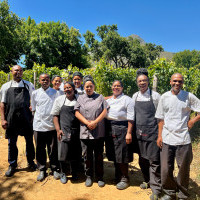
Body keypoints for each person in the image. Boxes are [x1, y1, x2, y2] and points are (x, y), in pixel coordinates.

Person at [155, 73, 200, 200]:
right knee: (165, 168)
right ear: (170, 82)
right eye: (175, 81)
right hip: (167, 137)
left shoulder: (188, 96)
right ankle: (169, 192)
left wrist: (192, 120)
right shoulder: (164, 97)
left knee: (183, 168)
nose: (177, 83)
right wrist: (159, 136)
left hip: (183, 138)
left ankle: (182, 194)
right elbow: (160, 118)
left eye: (180, 81)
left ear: (182, 83)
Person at [0, 65, 36, 177]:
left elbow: (34, 101)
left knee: (29, 141)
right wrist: (3, 119)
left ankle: (31, 162)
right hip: (11, 118)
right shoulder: (5, 86)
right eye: (16, 70)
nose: (18, 72)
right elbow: (2, 104)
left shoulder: (29, 85)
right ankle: (12, 164)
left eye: (20, 71)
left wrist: (33, 114)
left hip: (26, 117)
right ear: (11, 72)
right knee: (11, 143)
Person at [132, 69, 161, 200]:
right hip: (139, 133)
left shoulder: (155, 96)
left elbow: (160, 116)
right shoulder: (135, 96)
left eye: (144, 80)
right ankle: (147, 181)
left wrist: (160, 134)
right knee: (142, 159)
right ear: (137, 83)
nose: (142, 83)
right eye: (140, 81)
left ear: (148, 82)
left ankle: (156, 189)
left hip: (152, 132)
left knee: (154, 160)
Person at [74, 76, 108, 187]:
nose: (89, 88)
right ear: (84, 87)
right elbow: (77, 112)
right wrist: (87, 123)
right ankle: (88, 176)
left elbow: (104, 111)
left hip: (98, 131)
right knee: (87, 156)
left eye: (90, 86)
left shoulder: (100, 97)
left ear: (94, 86)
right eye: (86, 86)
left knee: (98, 155)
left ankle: (100, 177)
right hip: (85, 131)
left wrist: (95, 122)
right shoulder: (80, 98)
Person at [105, 80, 134, 190]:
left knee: (122, 154)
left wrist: (129, 133)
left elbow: (131, 118)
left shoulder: (127, 100)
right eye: (114, 86)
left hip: (122, 128)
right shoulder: (110, 100)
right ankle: (118, 176)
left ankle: (125, 178)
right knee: (114, 153)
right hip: (110, 127)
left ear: (122, 88)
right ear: (112, 87)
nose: (116, 87)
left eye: (118, 86)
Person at [31, 73, 60, 182]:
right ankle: (42, 169)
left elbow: (57, 109)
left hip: (52, 126)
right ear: (39, 81)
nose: (45, 81)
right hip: (38, 125)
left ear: (50, 81)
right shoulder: (35, 93)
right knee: (39, 148)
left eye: (47, 79)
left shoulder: (55, 93)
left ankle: (54, 168)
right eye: (43, 80)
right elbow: (34, 108)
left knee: (53, 149)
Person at [51, 82, 80, 184]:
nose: (67, 89)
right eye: (65, 88)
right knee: (63, 153)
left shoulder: (79, 99)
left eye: (69, 87)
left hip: (77, 131)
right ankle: (63, 173)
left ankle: (75, 172)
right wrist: (58, 130)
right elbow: (55, 115)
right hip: (64, 130)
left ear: (73, 89)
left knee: (75, 153)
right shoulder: (59, 100)